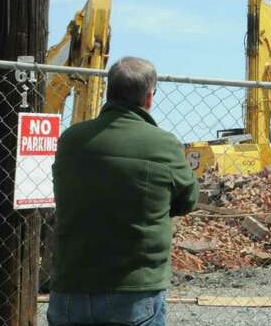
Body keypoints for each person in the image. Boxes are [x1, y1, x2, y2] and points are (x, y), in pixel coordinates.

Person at [48, 56, 197, 326]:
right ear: (149, 98)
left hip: (71, 285)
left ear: (109, 92)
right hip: (134, 290)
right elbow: (187, 200)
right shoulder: (164, 145)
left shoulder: (71, 140)